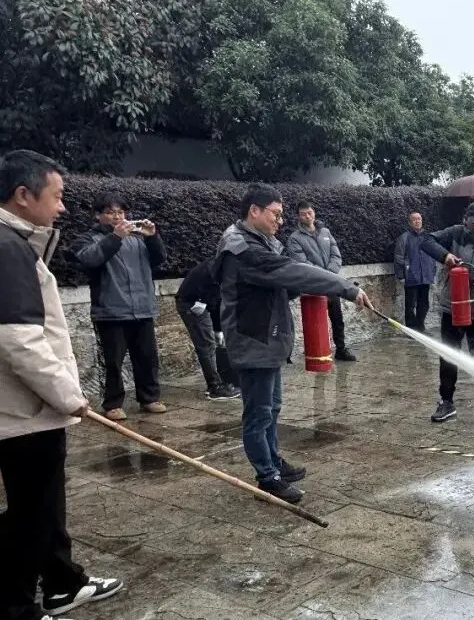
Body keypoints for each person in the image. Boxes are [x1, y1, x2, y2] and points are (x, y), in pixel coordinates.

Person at [0, 149, 124, 620]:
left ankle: (62, 582)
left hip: (28, 408)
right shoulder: (8, 248)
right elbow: (18, 340)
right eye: (57, 196)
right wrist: (69, 397)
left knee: (45, 505)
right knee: (30, 514)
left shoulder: (15, 243)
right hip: (24, 410)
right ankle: (16, 607)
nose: (63, 207)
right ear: (23, 195)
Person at [213, 184, 371, 504]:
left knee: (271, 408)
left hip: (267, 340)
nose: (281, 221)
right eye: (275, 214)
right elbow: (291, 271)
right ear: (254, 211)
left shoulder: (260, 241)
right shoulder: (243, 249)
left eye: (282, 215)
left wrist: (313, 285)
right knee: (258, 414)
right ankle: (267, 478)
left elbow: (285, 282)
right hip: (253, 340)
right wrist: (344, 288)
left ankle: (274, 462)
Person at [70, 193, 168, 421]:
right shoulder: (88, 238)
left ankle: (149, 398)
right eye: (110, 212)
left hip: (142, 308)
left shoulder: (137, 238)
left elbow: (159, 259)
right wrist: (115, 237)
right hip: (111, 311)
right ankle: (113, 403)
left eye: (121, 212)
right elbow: (89, 259)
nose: (117, 217)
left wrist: (153, 237)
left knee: (147, 358)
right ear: (97, 215)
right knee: (113, 361)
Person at [420, 201, 474, 426]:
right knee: (449, 355)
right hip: (453, 306)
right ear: (466, 222)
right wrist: (445, 256)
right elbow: (426, 240)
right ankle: (446, 402)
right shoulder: (455, 233)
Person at [286, 201, 355, 361]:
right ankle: (315, 352)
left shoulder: (325, 232)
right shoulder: (295, 238)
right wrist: (323, 276)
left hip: (331, 284)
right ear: (298, 217)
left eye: (309, 212)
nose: (307, 216)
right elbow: (302, 263)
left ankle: (341, 349)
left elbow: (336, 255)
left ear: (314, 212)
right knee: (315, 321)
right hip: (313, 286)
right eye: (303, 214)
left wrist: (329, 275)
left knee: (337, 318)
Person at [175, 258, 240, 401]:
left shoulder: (222, 267)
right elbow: (214, 297)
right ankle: (214, 387)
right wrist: (202, 302)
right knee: (206, 344)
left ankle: (218, 382)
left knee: (209, 343)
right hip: (192, 304)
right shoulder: (215, 270)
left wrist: (218, 329)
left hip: (198, 301)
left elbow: (218, 299)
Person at [393, 211, 436, 331]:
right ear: (409, 222)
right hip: (411, 276)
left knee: (424, 304)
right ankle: (411, 329)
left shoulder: (428, 237)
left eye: (419, 219)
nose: (417, 221)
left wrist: (432, 271)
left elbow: (433, 255)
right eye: (414, 219)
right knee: (410, 305)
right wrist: (401, 275)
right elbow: (399, 257)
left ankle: (421, 327)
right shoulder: (404, 238)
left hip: (425, 276)